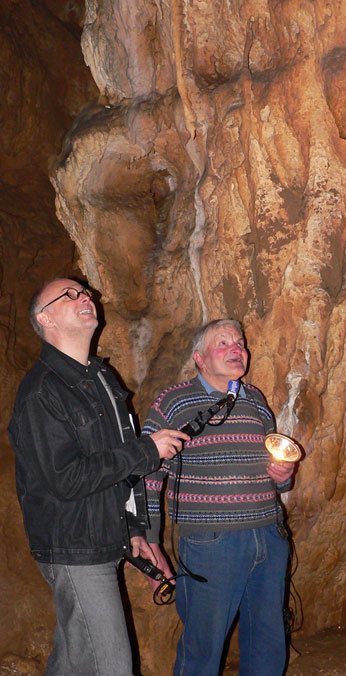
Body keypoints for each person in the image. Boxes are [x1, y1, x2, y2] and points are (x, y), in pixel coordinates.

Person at [8, 278, 187, 676]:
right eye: (69, 295)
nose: (84, 297)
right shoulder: (42, 391)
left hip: (101, 538)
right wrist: (146, 450)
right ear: (45, 317)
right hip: (73, 547)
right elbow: (66, 478)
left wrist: (134, 529)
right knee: (112, 667)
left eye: (85, 292)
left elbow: (115, 470)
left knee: (75, 662)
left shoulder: (102, 379)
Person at [141, 319, 296, 676]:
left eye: (240, 343)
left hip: (269, 536)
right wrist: (149, 542)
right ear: (200, 358)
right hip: (212, 543)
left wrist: (284, 477)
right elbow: (147, 474)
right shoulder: (174, 401)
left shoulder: (256, 399)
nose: (236, 349)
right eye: (222, 343)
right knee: (203, 648)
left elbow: (276, 472)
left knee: (267, 642)